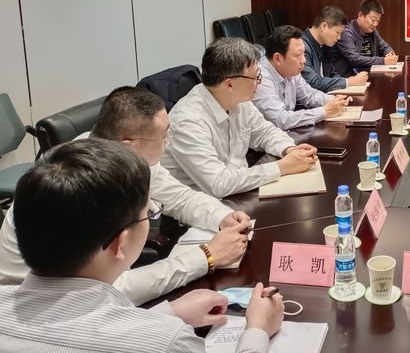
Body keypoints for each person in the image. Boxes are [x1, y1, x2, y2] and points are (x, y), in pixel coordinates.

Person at [0, 139, 284, 352]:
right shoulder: (166, 343)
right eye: (149, 214)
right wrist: (258, 330)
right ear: (120, 243)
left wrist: (167, 313)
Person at [0, 87, 251, 305]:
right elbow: (113, 288)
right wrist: (206, 256)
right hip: (41, 307)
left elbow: (180, 197)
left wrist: (223, 216)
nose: (169, 141)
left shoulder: (119, 154)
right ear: (129, 143)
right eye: (164, 135)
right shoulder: (85, 184)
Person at [162, 37, 318, 198]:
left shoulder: (239, 100)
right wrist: (282, 167)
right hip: (204, 205)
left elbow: (265, 132)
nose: (259, 82)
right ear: (229, 84)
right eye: (256, 77)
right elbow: (218, 183)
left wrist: (290, 150)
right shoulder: (188, 121)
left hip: (238, 193)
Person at [254, 25, 350, 129]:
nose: (303, 60)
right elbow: (280, 120)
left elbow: (309, 95)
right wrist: (324, 111)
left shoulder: (291, 71)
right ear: (278, 59)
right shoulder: (260, 78)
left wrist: (333, 100)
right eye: (298, 55)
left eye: (303, 53)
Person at [301, 5, 368, 93]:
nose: (339, 37)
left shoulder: (324, 44)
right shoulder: (302, 47)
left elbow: (332, 73)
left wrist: (346, 82)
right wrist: (349, 82)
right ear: (324, 26)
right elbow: (312, 82)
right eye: (337, 32)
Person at [331, 0, 397, 76]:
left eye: (377, 21)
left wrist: (390, 54)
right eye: (373, 20)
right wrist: (383, 61)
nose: (375, 24)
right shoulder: (346, 33)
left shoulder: (372, 31)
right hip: (348, 78)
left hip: (369, 75)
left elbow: (384, 46)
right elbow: (354, 59)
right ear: (360, 15)